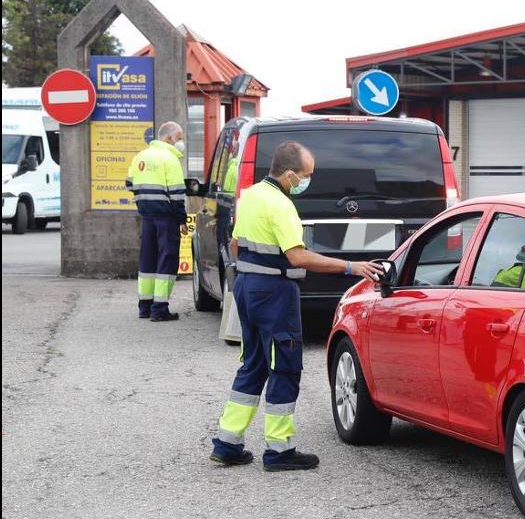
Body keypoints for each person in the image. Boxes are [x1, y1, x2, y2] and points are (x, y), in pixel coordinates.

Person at [210, 141, 384, 471]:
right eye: (306, 175)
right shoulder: (280, 204)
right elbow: (297, 256)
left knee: (254, 363)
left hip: (248, 286)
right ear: (289, 174)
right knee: (285, 365)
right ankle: (279, 451)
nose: (307, 180)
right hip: (274, 291)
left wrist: (248, 277)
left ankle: (227, 443)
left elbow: (234, 244)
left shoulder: (252, 196)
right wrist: (351, 267)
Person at [127, 121, 188, 321]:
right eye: (179, 137)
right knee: (166, 260)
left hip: (147, 216)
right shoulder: (170, 159)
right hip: (167, 217)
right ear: (169, 138)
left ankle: (144, 306)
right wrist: (182, 219)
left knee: (148, 259)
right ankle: (160, 309)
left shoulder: (140, 157)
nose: (180, 142)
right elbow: (178, 194)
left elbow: (129, 185)